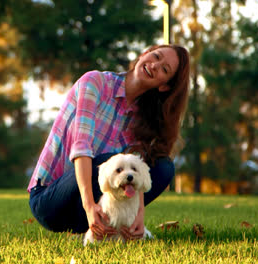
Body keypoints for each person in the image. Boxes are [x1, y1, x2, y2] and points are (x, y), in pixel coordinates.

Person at [28, 44, 190, 240]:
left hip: (98, 203)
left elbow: (137, 167)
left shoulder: (145, 118)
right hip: (52, 201)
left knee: (163, 167)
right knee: (106, 163)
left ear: (164, 85)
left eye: (164, 69)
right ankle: (91, 218)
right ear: (144, 54)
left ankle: (112, 227)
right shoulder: (95, 82)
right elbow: (82, 148)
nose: (155, 65)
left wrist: (138, 215)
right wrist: (89, 206)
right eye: (155, 56)